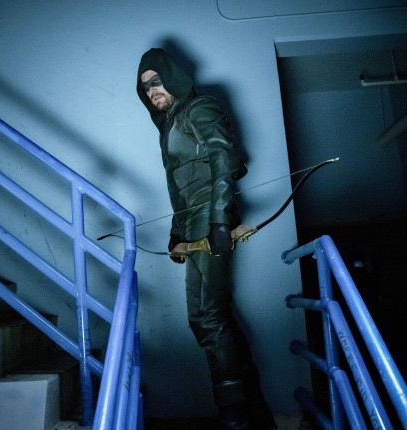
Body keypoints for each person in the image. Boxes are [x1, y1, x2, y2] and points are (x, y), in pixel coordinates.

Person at [137, 48, 277, 430]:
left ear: (173, 77)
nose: (152, 90)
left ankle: (235, 417)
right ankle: (256, 412)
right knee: (213, 316)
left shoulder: (199, 107)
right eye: (145, 86)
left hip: (211, 212)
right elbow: (182, 186)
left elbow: (222, 158)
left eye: (157, 81)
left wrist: (218, 221)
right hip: (195, 219)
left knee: (207, 317)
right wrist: (176, 235)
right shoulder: (170, 125)